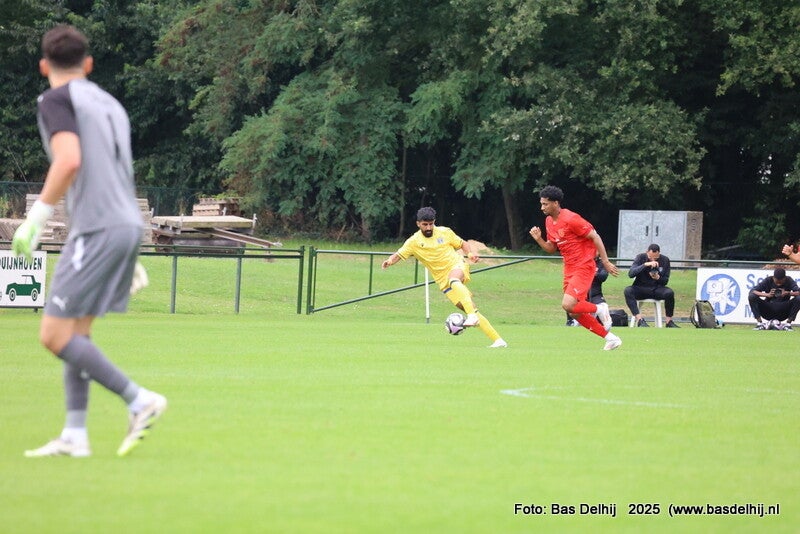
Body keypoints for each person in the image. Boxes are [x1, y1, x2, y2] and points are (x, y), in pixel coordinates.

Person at [12, 25, 165, 458]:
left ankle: (139, 399)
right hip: (124, 224)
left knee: (53, 335)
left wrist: (36, 217)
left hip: (98, 228)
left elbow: (69, 161)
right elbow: (117, 171)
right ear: (89, 64)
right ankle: (75, 435)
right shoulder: (111, 104)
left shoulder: (56, 100)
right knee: (77, 331)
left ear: (44, 66)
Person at [382, 207, 507, 348]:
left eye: (431, 224)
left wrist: (470, 254)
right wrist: (390, 261)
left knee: (454, 280)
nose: (428, 227)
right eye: (425, 224)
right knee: (470, 308)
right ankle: (498, 340)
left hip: (457, 265)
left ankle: (471, 317)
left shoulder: (445, 232)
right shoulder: (413, 242)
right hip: (443, 282)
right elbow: (399, 254)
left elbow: (463, 244)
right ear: (418, 224)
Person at [529, 185, 622, 350]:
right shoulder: (549, 221)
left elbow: (595, 237)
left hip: (584, 265)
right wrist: (539, 239)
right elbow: (551, 248)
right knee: (574, 312)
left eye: (545, 204)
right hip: (569, 268)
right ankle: (611, 338)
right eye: (541, 204)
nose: (542, 207)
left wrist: (606, 262)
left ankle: (600, 308)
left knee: (567, 304)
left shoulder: (571, 219)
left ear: (556, 203)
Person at [624, 243, 679, 327]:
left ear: (659, 253)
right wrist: (645, 265)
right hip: (641, 288)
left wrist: (658, 278)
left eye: (655, 258)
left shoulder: (665, 260)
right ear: (647, 252)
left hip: (656, 289)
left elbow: (665, 281)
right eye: (650, 257)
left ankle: (669, 321)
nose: (653, 260)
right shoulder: (640, 257)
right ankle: (639, 320)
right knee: (628, 290)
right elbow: (631, 274)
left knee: (669, 293)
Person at [565, 256, 607, 326]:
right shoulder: (582, 261)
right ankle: (571, 321)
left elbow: (603, 277)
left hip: (596, 295)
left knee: (603, 309)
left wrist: (594, 273)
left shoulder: (602, 263)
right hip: (580, 293)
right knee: (570, 301)